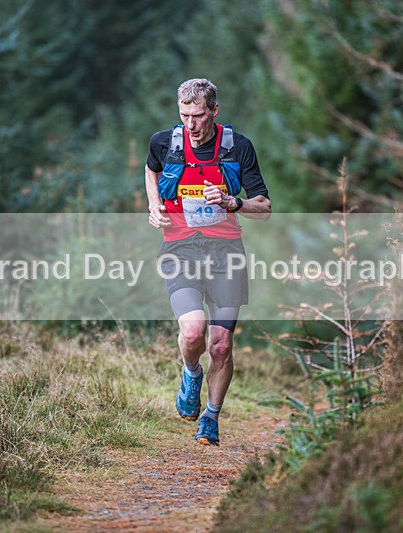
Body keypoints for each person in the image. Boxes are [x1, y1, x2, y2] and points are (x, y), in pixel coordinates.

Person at [144, 78, 271, 445]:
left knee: (220, 345)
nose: (191, 125)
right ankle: (190, 372)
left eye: (198, 116)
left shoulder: (237, 148)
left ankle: (211, 417)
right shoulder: (165, 142)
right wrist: (153, 203)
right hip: (179, 248)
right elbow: (151, 169)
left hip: (226, 253)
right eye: (184, 115)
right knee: (193, 331)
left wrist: (234, 202)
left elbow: (264, 208)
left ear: (214, 111)